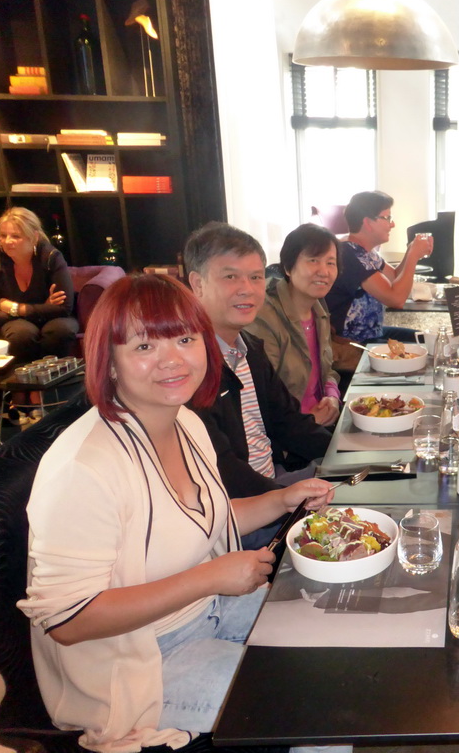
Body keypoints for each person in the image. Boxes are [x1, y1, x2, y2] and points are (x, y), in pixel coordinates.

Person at [16, 274, 335, 752]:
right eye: (144, 346)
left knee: (331, 638)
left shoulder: (184, 421)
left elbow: (193, 517)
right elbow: (66, 619)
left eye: (185, 339)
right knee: (312, 705)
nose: (172, 360)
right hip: (138, 664)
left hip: (210, 612)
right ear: (110, 361)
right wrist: (210, 578)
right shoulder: (83, 466)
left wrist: (279, 501)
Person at [184, 222, 333, 546]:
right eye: (230, 277)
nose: (248, 289)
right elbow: (224, 470)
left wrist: (341, 457)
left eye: (255, 277)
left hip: (274, 484)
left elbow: (289, 421)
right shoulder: (187, 368)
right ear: (197, 284)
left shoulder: (248, 347)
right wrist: (288, 502)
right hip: (240, 519)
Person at [245, 223, 342, 424]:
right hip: (290, 435)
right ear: (288, 267)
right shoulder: (264, 317)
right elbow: (263, 397)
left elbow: (327, 370)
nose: (324, 271)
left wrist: (332, 396)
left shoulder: (318, 308)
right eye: (313, 260)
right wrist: (307, 420)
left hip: (323, 422)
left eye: (331, 263)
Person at [323, 190, 433, 355]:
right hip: (353, 342)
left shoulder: (364, 251)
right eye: (387, 218)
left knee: (427, 340)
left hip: (372, 332)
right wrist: (413, 257)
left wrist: (411, 251)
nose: (392, 224)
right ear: (367, 222)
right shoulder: (349, 253)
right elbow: (396, 299)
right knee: (422, 350)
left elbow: (395, 277)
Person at [0, 207, 77, 361]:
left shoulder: (51, 257)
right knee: (22, 333)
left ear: (34, 237)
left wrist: (15, 308)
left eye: (16, 236)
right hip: (13, 323)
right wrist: (45, 306)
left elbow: (64, 307)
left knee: (61, 330)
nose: (7, 241)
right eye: (3, 236)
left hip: (52, 319)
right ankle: (25, 381)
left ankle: (59, 379)